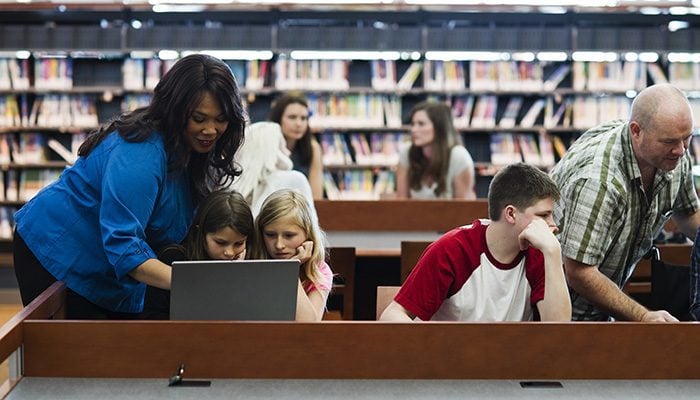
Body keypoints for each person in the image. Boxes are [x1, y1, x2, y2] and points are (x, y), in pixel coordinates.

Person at [12, 54, 246, 319]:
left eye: (221, 118)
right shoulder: (141, 154)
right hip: (57, 249)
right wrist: (194, 283)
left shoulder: (197, 154)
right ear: (176, 111)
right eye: (199, 118)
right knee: (78, 353)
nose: (211, 130)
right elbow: (124, 245)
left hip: (112, 264)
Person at [550, 83, 700, 322]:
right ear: (636, 131)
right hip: (561, 315)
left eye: (687, 138)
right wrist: (643, 316)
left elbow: (687, 213)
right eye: (670, 142)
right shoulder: (599, 179)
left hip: (603, 306)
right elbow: (578, 272)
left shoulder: (672, 153)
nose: (681, 151)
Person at [380, 163, 570, 322]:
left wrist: (553, 252)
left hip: (513, 364)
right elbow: (393, 315)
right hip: (453, 362)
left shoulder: (541, 253)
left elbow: (558, 331)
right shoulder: (453, 249)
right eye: (544, 215)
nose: (552, 225)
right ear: (511, 214)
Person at [142, 189, 254, 320]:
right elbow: (152, 316)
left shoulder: (251, 262)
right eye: (220, 242)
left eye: (239, 243)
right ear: (201, 233)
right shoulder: (174, 259)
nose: (229, 253)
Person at [251, 189, 333, 321]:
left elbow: (307, 324)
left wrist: (291, 271)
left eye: (289, 235)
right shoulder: (251, 263)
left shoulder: (318, 271)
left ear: (308, 234)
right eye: (270, 235)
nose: (279, 245)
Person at [229, 121, 315, 218]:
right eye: (283, 145)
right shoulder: (294, 179)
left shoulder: (230, 186)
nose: (288, 152)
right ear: (273, 149)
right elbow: (311, 224)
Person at [396, 100, 476, 200]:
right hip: (413, 215)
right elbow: (401, 201)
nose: (414, 130)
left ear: (439, 127)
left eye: (421, 124)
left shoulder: (459, 156)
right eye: (413, 124)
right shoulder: (406, 152)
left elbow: (464, 208)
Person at [268, 93, 324, 199]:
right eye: (292, 117)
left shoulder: (313, 148)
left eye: (303, 118)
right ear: (278, 119)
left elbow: (316, 196)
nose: (299, 124)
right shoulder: (267, 146)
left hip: (303, 211)